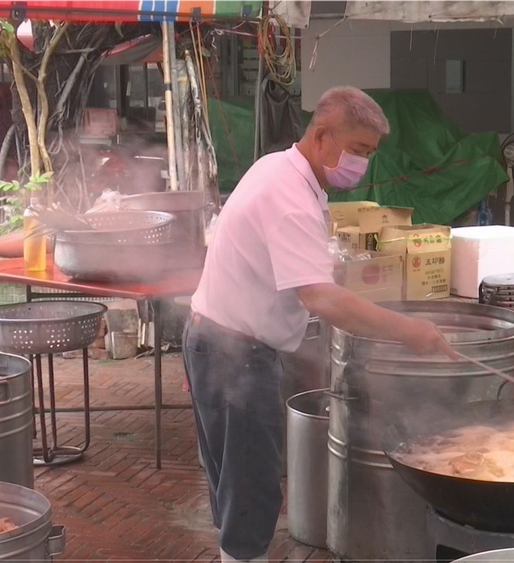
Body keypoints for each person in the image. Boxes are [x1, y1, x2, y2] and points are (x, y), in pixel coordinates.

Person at [183, 86, 454, 562]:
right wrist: (411, 331)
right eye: (358, 151)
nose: (363, 164)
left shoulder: (281, 168)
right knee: (250, 490)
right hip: (234, 355)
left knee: (235, 484)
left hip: (215, 340)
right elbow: (321, 298)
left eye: (370, 154)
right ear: (323, 135)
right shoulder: (290, 196)